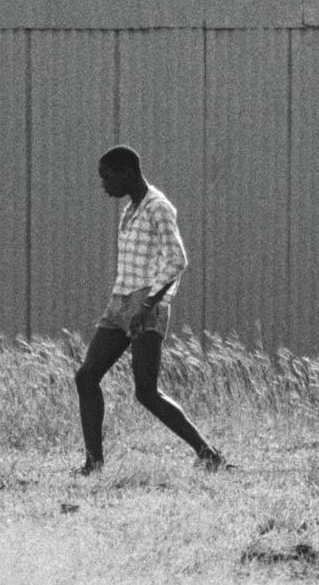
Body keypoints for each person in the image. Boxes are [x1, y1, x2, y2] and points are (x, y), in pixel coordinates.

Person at [75, 145, 225, 474]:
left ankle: (208, 453)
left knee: (146, 392)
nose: (104, 185)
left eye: (107, 177)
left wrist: (148, 304)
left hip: (147, 304)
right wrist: (125, 304)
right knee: (86, 377)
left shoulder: (158, 207)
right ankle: (94, 462)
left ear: (127, 172)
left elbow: (177, 260)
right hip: (119, 301)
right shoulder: (129, 210)